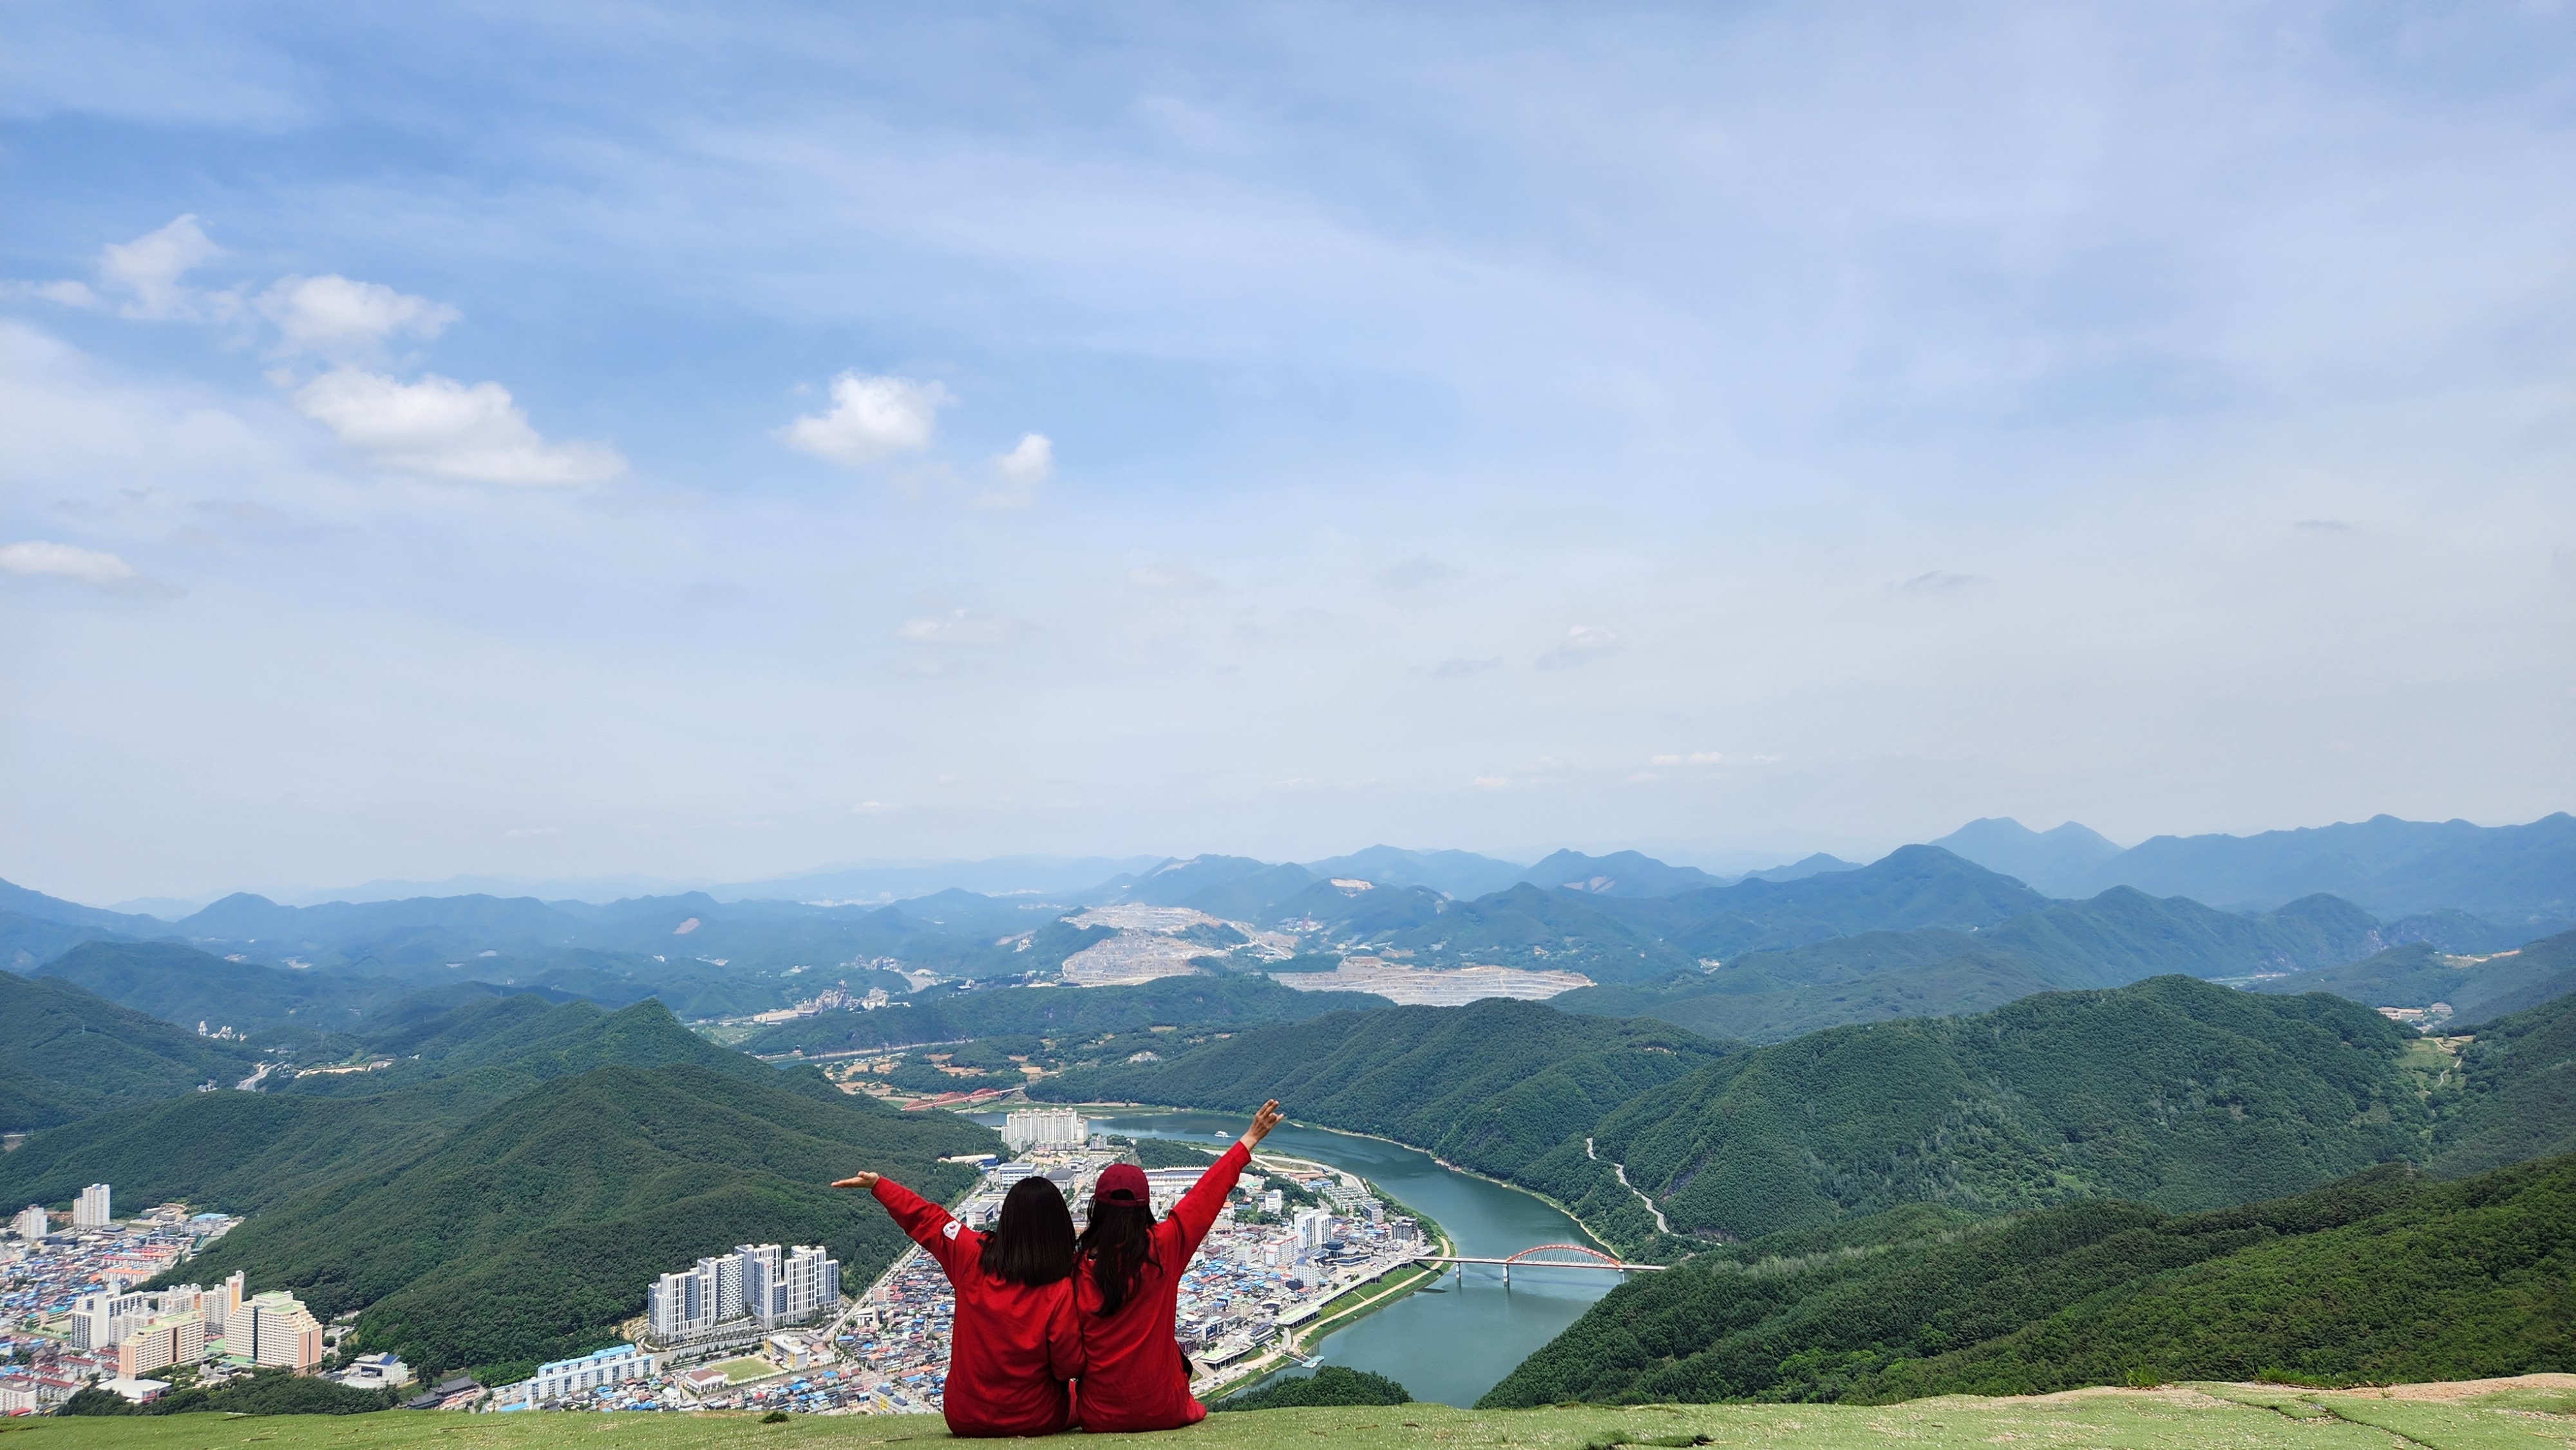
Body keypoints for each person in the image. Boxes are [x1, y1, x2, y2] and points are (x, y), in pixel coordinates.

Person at [1072, 1099, 1285, 1433]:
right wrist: (1248, 1139)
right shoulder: (1163, 1250)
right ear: (1144, 1208)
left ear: (1096, 1209)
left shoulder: (1079, 1269)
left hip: (1100, 1415)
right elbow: (1206, 1195)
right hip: (1164, 1408)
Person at [831, 1167, 1082, 1437]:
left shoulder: (972, 1257)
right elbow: (1067, 1366)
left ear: (1007, 1221)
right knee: (1082, 1397)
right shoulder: (1060, 1288)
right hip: (1035, 1417)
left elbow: (928, 1220)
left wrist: (879, 1186)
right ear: (1059, 1228)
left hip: (965, 1416)